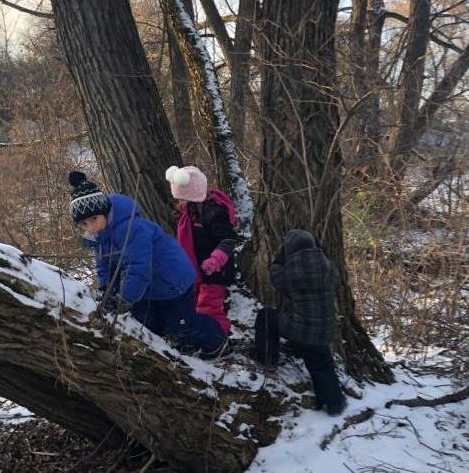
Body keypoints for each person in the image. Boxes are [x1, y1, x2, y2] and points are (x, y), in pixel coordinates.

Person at [68, 170, 227, 358]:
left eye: (94, 219)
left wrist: (125, 299)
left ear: (105, 212)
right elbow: (104, 264)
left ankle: (217, 342)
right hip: (145, 289)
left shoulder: (132, 228)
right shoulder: (100, 236)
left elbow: (138, 267)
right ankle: (170, 346)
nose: (91, 227)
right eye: (84, 224)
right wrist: (106, 289)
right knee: (148, 323)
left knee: (180, 325)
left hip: (172, 282)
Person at [253, 229, 347, 416]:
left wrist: (279, 258)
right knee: (321, 363)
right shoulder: (327, 265)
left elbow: (275, 277)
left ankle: (267, 359)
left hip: (301, 329)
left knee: (265, 316)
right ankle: (334, 402)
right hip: (324, 330)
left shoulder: (293, 268)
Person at [166, 165, 237, 334]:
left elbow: (228, 239)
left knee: (209, 310)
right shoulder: (189, 213)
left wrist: (215, 260)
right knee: (196, 306)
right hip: (198, 271)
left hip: (215, 271)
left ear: (192, 197)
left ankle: (220, 341)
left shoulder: (214, 213)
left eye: (181, 199)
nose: (179, 203)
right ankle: (205, 337)